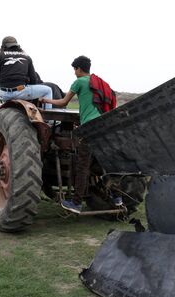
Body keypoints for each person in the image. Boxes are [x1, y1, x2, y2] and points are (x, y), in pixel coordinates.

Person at [40, 55, 119, 214]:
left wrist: (45, 101)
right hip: (103, 126)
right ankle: (117, 197)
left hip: (88, 128)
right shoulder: (101, 83)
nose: (74, 73)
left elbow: (63, 102)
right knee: (105, 164)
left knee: (82, 166)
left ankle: (76, 203)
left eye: (74, 70)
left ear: (78, 69)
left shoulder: (79, 82)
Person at [0, 36, 52, 109]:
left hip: (3, 94)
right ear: (17, 45)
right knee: (48, 90)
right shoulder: (27, 57)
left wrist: (1, 90)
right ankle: (49, 119)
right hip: (20, 92)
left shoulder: (0, 55)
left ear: (3, 46)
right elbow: (33, 79)